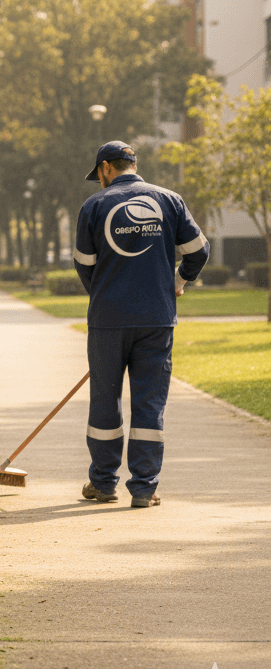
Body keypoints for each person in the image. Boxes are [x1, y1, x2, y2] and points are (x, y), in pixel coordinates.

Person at [73, 140, 209, 508]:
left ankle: (103, 484)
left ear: (105, 168)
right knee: (149, 403)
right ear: (133, 164)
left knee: (105, 401)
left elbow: (84, 264)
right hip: (157, 319)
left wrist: (102, 295)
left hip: (108, 321)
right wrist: (179, 280)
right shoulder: (170, 200)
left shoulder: (94, 206)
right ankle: (145, 488)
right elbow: (199, 250)